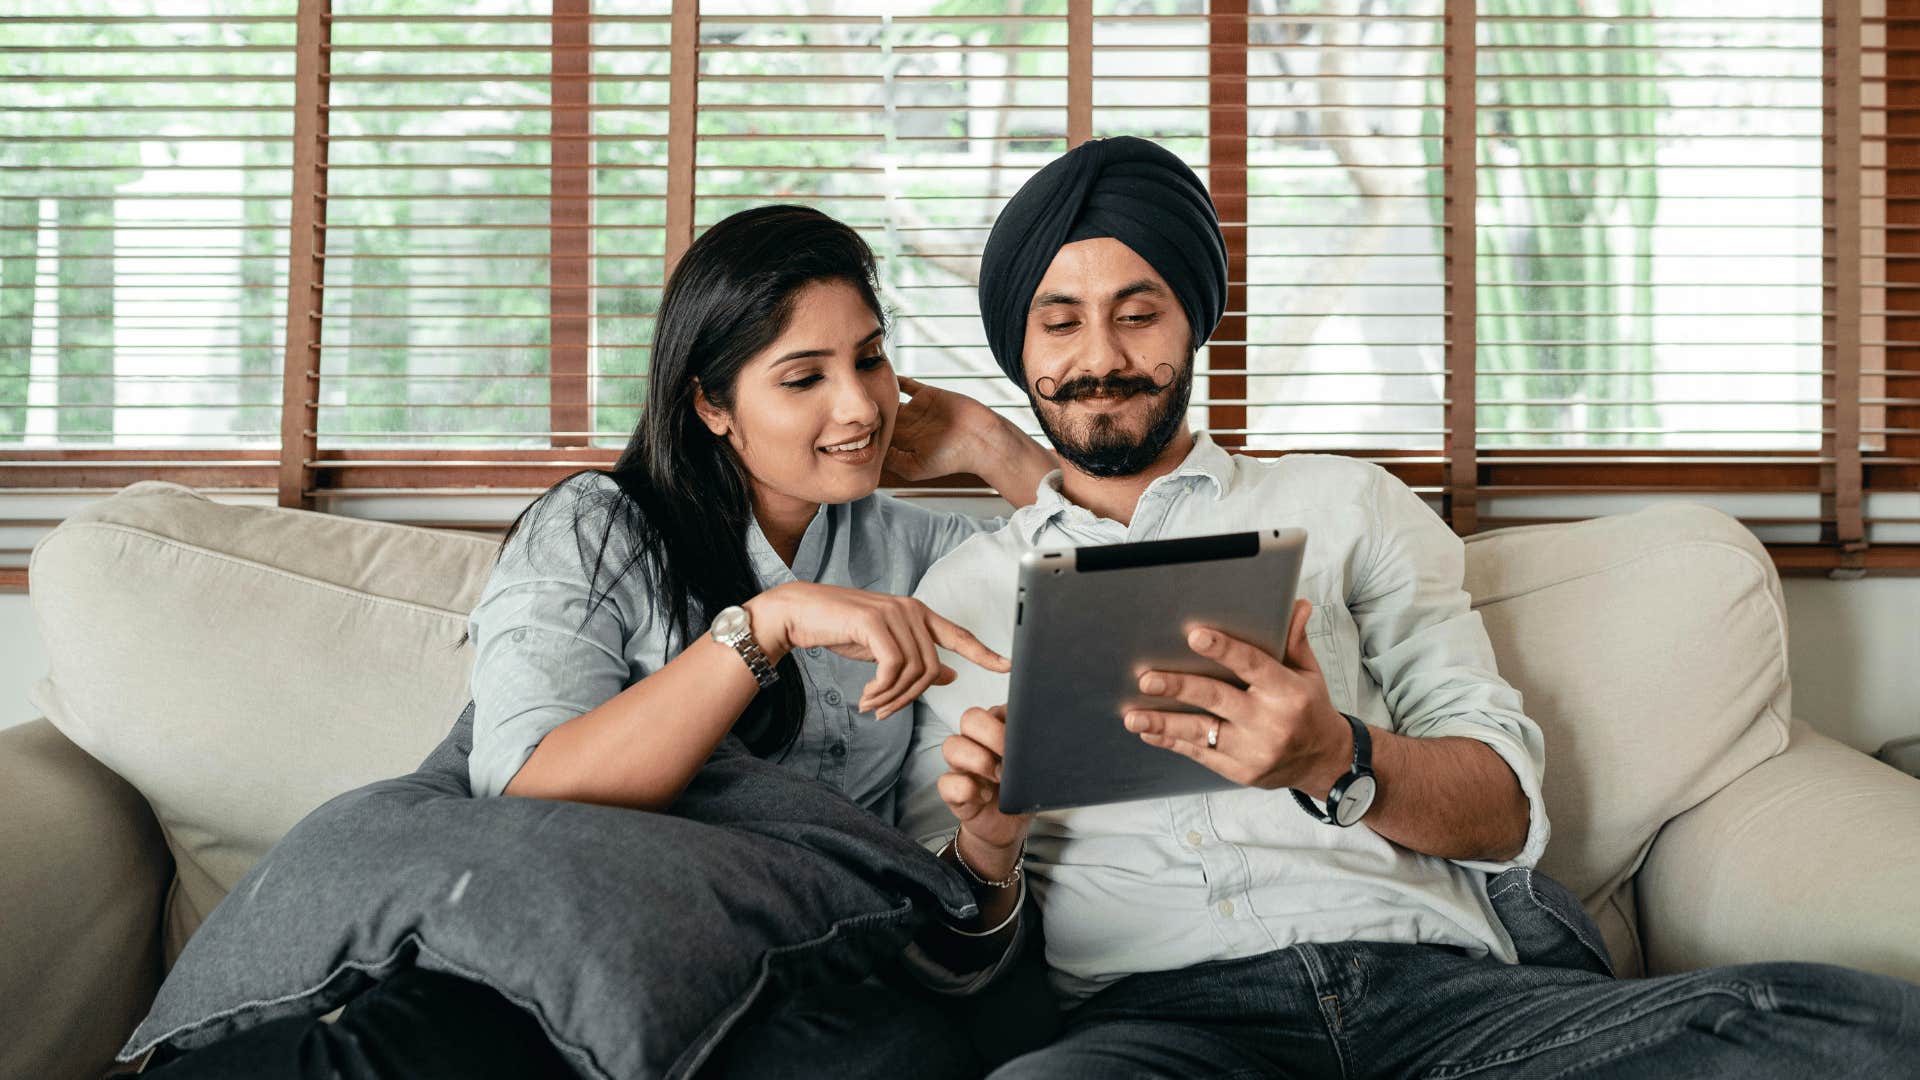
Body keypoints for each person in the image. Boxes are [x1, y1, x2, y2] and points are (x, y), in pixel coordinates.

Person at [898, 135, 1920, 1077]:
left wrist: (1334, 757)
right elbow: (953, 963)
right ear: (1016, 343)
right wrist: (988, 842)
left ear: (1194, 318)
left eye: (1138, 311)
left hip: (1441, 1000)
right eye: (1060, 320)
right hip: (1162, 1035)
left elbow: (1504, 810)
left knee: (1856, 1029)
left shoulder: (1348, 507)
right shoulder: (962, 597)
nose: (1101, 358)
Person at [143, 204, 1057, 1080]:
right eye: (804, 377)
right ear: (711, 405)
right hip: (565, 938)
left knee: (901, 1059)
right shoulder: (597, 530)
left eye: (871, 358)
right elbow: (528, 785)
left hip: (778, 966)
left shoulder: (914, 547)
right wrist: (764, 628)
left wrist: (993, 447)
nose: (862, 405)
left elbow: (1139, 570)